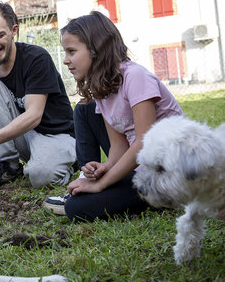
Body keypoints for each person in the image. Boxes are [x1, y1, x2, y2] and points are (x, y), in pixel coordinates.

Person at [42, 11, 183, 221]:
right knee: (83, 109)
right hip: (140, 167)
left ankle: (166, 198)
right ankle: (113, 189)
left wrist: (101, 184)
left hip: (167, 171)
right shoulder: (102, 89)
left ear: (96, 50)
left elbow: (146, 143)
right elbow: (119, 145)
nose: (65, 60)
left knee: (76, 208)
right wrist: (105, 169)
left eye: (71, 51)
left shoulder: (135, 76)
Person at [0, 1, 76, 189]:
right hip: (25, 138)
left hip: (57, 135)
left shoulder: (36, 58)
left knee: (41, 178)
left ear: (14, 31)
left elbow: (33, 116)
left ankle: (69, 161)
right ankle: (9, 167)